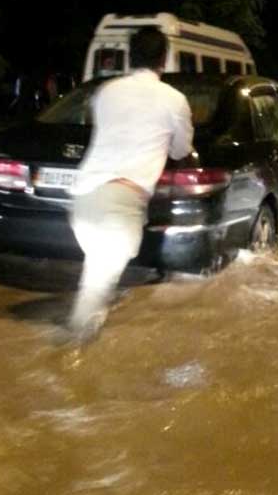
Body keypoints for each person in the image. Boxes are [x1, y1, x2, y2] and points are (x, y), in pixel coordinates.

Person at [67, 27, 194, 342]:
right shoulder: (174, 99)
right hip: (121, 206)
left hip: (82, 201)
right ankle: (69, 360)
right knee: (93, 295)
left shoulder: (106, 91)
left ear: (130, 56)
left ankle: (83, 341)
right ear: (164, 59)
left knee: (96, 279)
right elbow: (180, 149)